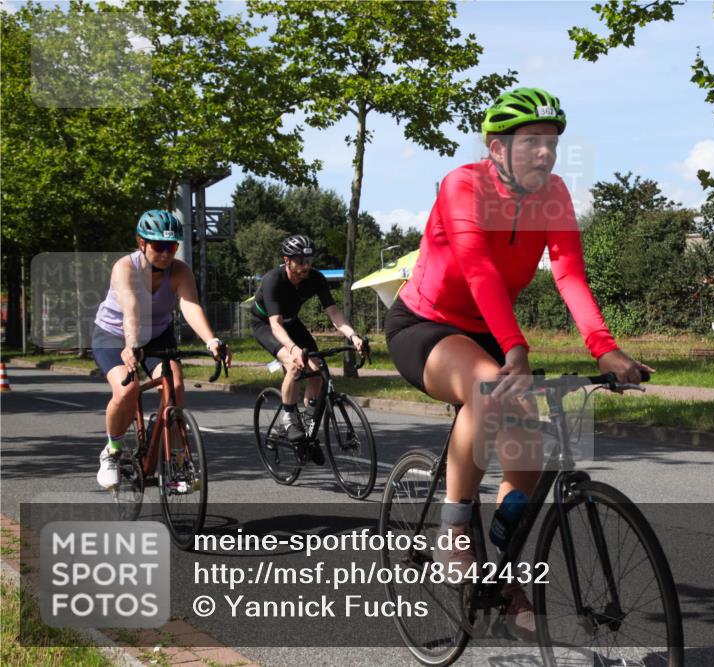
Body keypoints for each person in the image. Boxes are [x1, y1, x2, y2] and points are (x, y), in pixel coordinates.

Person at [384, 87, 653, 641]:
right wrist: (515, 347)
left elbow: (569, 273)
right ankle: (454, 527)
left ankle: (503, 575)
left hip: (489, 327)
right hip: (426, 324)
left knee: (529, 439)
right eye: (531, 141)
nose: (545, 153)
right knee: (489, 386)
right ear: (497, 147)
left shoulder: (554, 195)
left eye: (551, 142)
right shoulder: (462, 186)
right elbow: (478, 267)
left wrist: (604, 347)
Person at [93, 210, 232, 489]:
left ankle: (176, 460)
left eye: (172, 247)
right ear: (141, 243)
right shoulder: (125, 267)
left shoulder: (180, 271)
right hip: (115, 334)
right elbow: (131, 308)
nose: (166, 253)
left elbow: (190, 306)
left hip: (157, 334)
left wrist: (211, 340)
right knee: (127, 390)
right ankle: (112, 451)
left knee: (175, 386)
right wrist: (131, 345)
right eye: (159, 246)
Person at [250, 234, 364, 462]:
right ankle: (289, 420)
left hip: (292, 323)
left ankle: (307, 431)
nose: (307, 266)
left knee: (317, 372)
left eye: (310, 260)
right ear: (287, 260)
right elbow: (275, 324)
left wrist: (353, 336)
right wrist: (293, 350)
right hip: (267, 325)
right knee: (294, 364)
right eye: (301, 261)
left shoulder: (315, 278)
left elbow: (333, 312)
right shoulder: (273, 280)